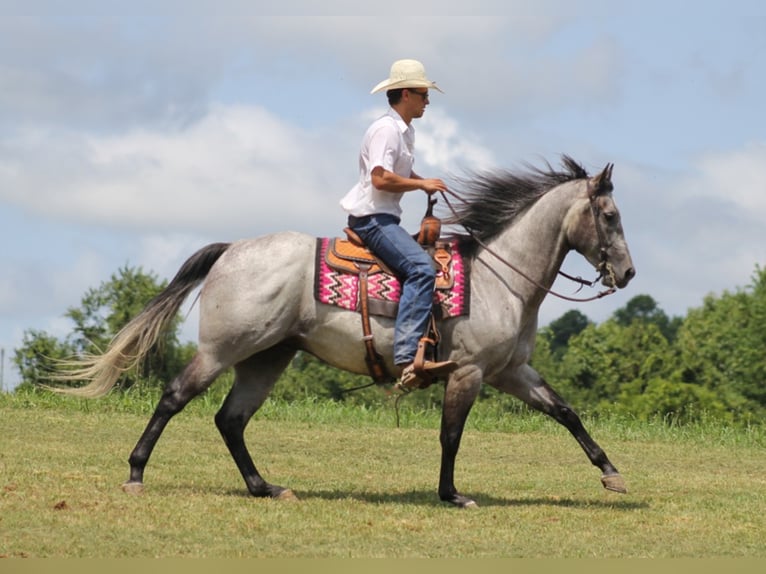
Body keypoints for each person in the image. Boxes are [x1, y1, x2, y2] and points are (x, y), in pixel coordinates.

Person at [340, 59, 458, 389]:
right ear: (406, 94)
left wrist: (425, 182)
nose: (427, 101)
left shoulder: (405, 132)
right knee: (422, 268)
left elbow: (398, 174)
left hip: (384, 218)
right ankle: (407, 358)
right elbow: (380, 179)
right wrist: (421, 186)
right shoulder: (386, 130)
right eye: (423, 94)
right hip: (372, 221)